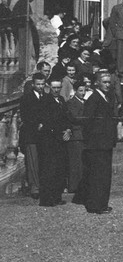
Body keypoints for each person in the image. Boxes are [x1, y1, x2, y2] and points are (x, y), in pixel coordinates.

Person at [73, 72, 120, 214]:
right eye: (104, 82)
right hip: (97, 144)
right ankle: (96, 205)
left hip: (105, 143)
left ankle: (101, 203)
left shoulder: (107, 97)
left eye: (109, 82)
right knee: (98, 176)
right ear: (97, 83)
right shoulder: (94, 98)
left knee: (103, 175)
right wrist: (92, 140)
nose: (107, 84)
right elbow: (88, 122)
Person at [38, 79, 71, 207]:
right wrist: (61, 131)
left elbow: (66, 117)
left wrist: (68, 129)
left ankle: (57, 196)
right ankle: (47, 199)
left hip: (60, 140)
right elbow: (48, 121)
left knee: (59, 169)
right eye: (54, 88)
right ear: (49, 88)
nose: (56, 90)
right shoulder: (46, 101)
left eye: (58, 87)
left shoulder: (62, 100)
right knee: (49, 170)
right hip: (50, 140)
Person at [19, 72, 47, 199]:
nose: (40, 86)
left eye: (42, 84)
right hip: (31, 134)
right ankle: (34, 188)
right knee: (33, 162)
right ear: (33, 84)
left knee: (42, 161)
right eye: (38, 84)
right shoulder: (27, 98)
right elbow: (25, 117)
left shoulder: (46, 97)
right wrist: (38, 123)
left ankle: (42, 186)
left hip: (44, 135)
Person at [11, 0, 39, 71]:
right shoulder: (24, 3)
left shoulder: (22, 3)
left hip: (20, 28)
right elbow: (27, 17)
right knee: (24, 49)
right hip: (22, 29)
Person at [66, 81, 86, 192]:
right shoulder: (71, 103)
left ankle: (82, 186)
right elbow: (74, 118)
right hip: (76, 135)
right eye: (80, 91)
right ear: (75, 91)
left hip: (84, 135)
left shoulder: (86, 102)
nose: (83, 93)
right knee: (75, 163)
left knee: (82, 163)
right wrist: (88, 118)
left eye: (84, 91)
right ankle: (74, 187)